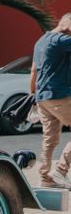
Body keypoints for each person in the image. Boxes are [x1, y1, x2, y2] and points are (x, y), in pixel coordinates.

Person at [30, 12, 71, 189]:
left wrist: (32, 95)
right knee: (50, 138)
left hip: (42, 98)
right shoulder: (60, 40)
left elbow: (33, 71)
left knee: (50, 139)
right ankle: (60, 170)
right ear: (67, 24)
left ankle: (45, 177)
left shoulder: (40, 42)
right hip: (59, 96)